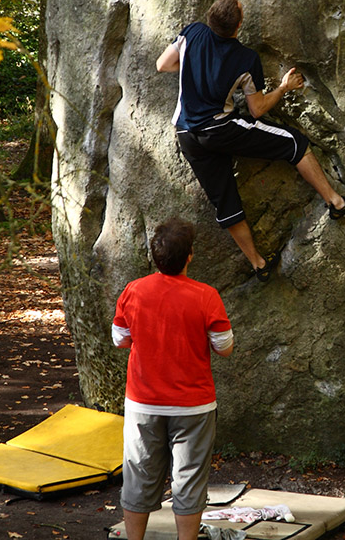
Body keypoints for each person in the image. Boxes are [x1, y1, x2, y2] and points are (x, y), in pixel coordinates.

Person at [157, 0, 345, 281]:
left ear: (210, 18)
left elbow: (163, 65)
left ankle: (259, 264)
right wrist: (283, 87)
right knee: (294, 143)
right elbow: (257, 110)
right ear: (239, 25)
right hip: (220, 129)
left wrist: (195, 68)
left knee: (226, 202)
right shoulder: (245, 59)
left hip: (186, 134)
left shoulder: (192, 32)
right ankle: (336, 203)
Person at [111, 218, 234, 540]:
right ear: (190, 256)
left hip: (143, 402)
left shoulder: (133, 290)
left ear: (154, 255)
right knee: (189, 478)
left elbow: (120, 338)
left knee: (138, 475)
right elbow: (225, 347)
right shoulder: (206, 295)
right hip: (193, 406)